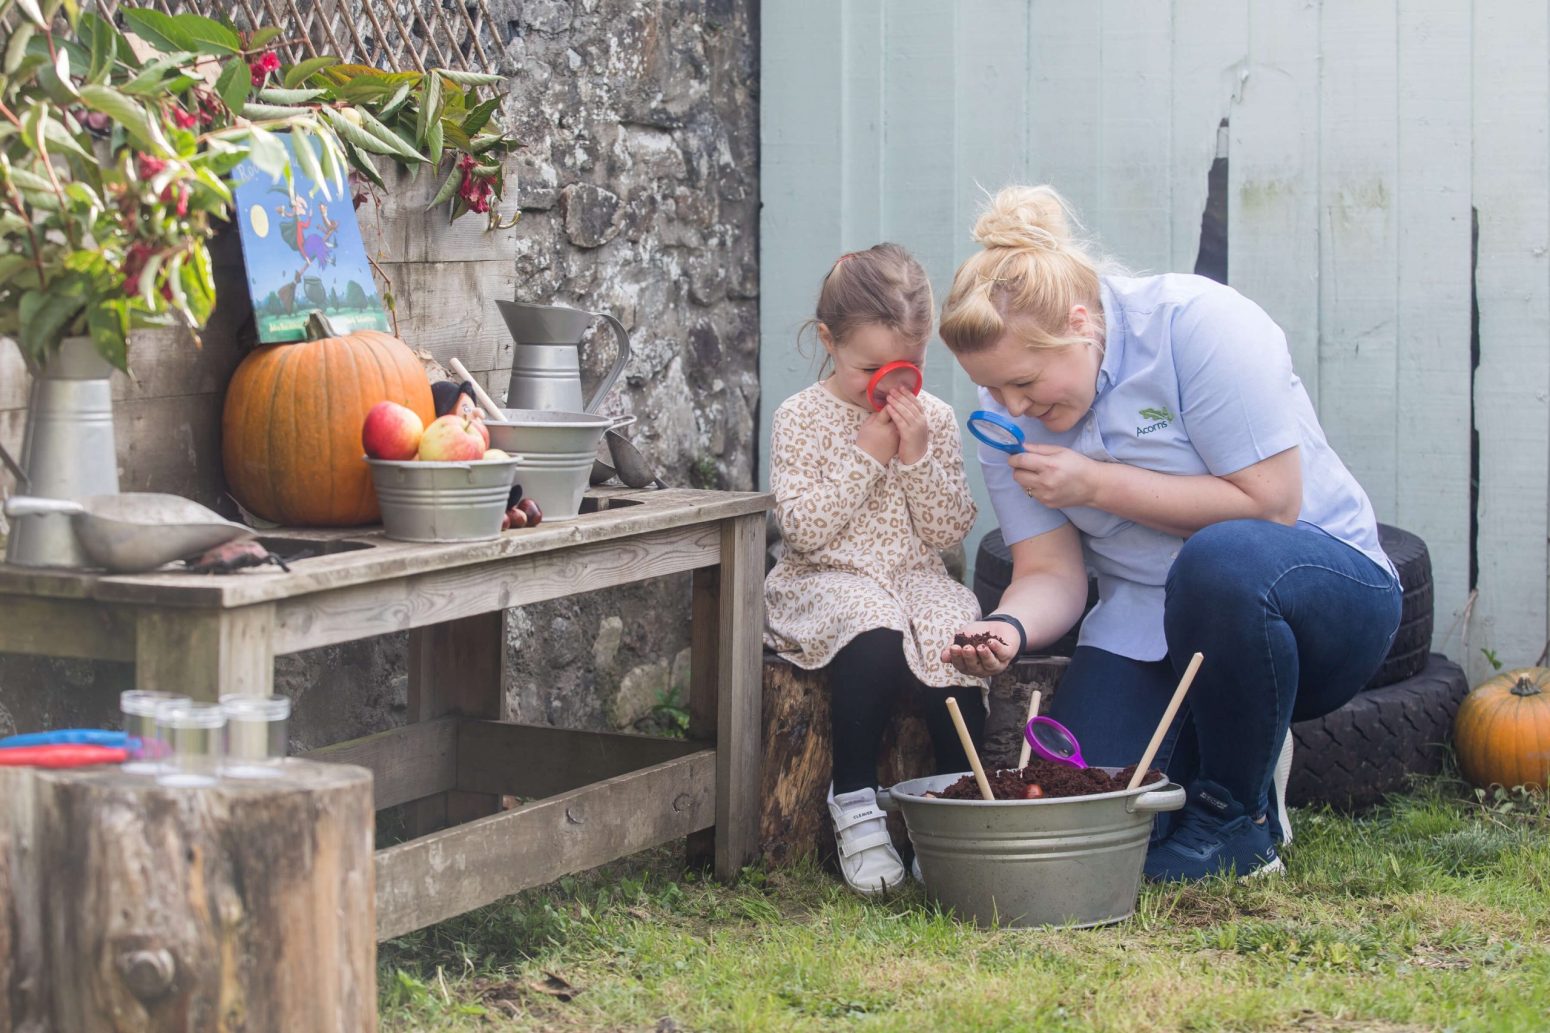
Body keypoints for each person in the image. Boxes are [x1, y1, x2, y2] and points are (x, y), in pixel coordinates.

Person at [937, 186, 1402, 881]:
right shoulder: (1005, 415)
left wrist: (1095, 483)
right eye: (995, 389)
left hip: (1314, 597)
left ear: (1080, 322)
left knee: (1220, 561)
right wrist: (1007, 627)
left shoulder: (1200, 326)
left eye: (1025, 382)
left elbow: (1270, 504)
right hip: (1148, 622)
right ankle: (1235, 749)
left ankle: (1238, 816)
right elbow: (1051, 572)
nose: (1013, 405)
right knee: (1091, 836)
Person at [764, 243, 988, 896]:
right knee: (874, 623)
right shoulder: (800, 418)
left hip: (913, 576)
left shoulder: (935, 421)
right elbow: (803, 531)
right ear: (829, 342)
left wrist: (917, 455)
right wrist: (866, 455)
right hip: (824, 578)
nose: (891, 385)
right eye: (872, 368)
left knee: (956, 626)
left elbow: (948, 531)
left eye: (909, 367)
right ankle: (857, 802)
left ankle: (951, 810)